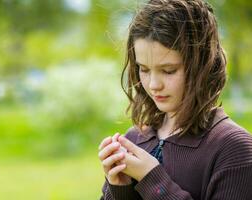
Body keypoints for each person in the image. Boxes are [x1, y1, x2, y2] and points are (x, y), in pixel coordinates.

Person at [98, 0, 252, 199]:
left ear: (201, 65)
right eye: (143, 69)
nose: (154, 84)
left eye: (168, 71)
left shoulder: (234, 149)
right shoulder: (135, 140)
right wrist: (119, 188)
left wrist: (151, 179)